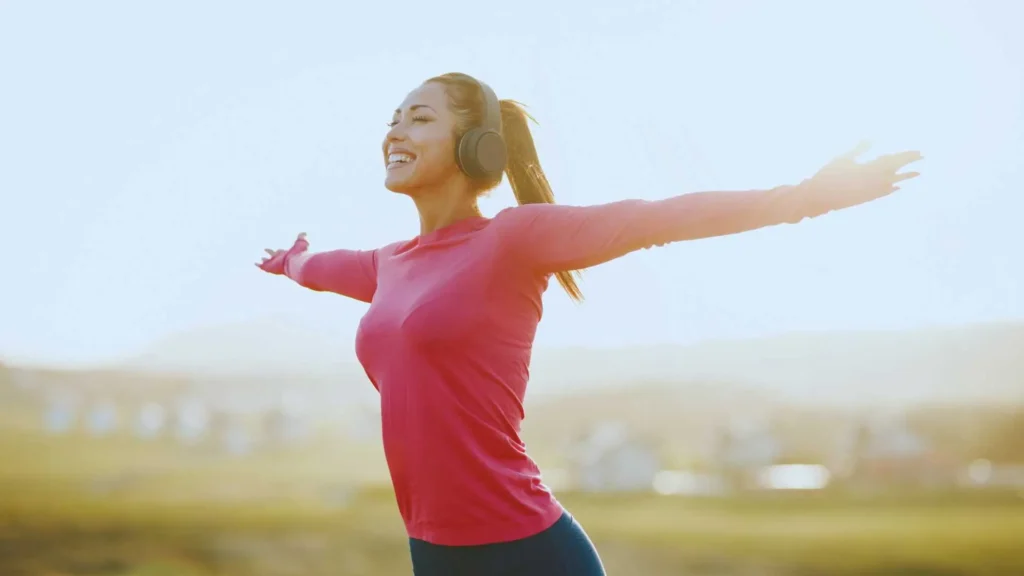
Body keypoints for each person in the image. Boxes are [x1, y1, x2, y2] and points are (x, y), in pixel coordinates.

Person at [256, 72, 922, 575]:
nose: (395, 131)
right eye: (394, 119)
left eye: (419, 118)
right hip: (431, 551)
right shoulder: (386, 265)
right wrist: (292, 260)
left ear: (476, 147)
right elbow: (318, 266)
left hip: (527, 551)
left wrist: (804, 200)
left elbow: (658, 217)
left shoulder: (514, 239)